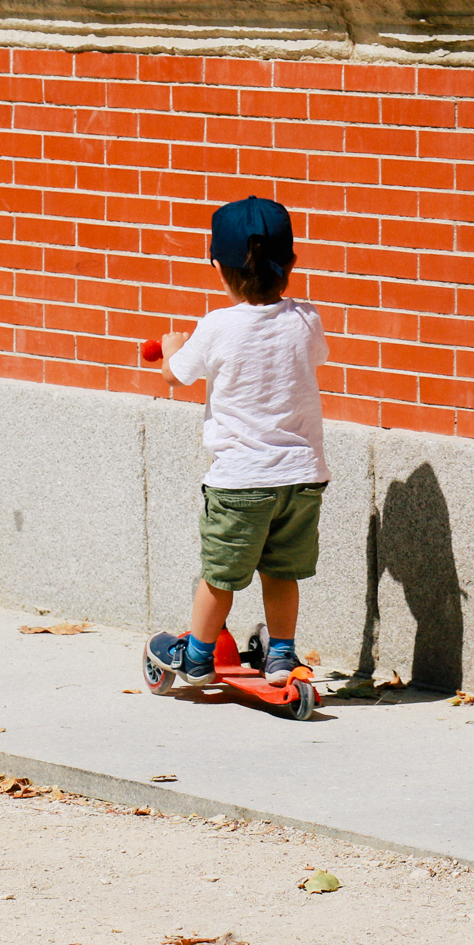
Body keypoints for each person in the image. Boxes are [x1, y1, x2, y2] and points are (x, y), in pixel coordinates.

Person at [145, 196, 330, 687]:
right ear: (290, 262)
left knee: (220, 575)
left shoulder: (216, 326)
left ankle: (199, 655)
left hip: (241, 482)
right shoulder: (307, 319)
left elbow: (174, 377)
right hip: (302, 478)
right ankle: (281, 655)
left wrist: (170, 349)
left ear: (216, 266)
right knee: (281, 571)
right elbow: (312, 356)